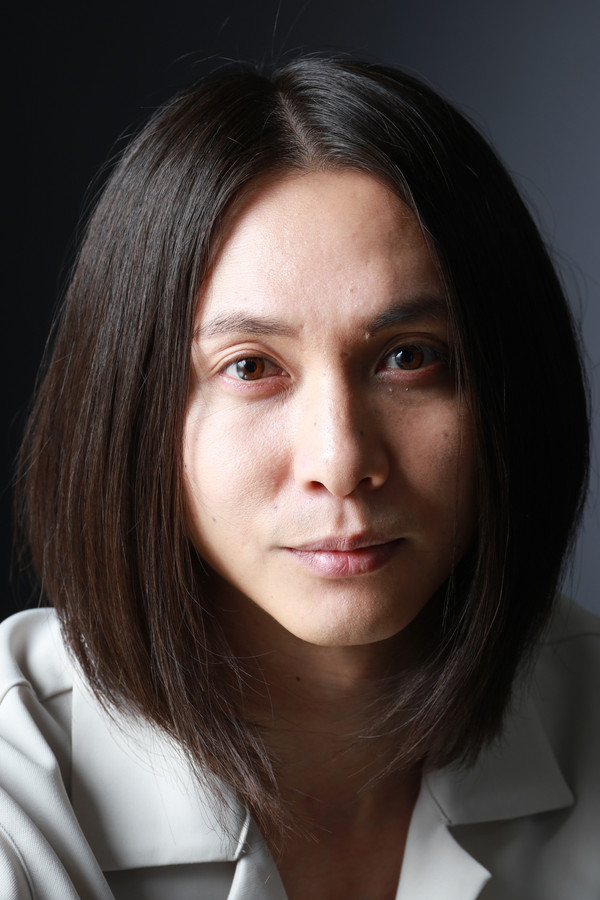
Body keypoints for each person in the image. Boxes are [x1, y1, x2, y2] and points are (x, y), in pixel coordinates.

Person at [1, 55, 598, 900]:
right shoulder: (16, 774)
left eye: (409, 358)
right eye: (250, 367)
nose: (340, 462)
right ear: (130, 406)